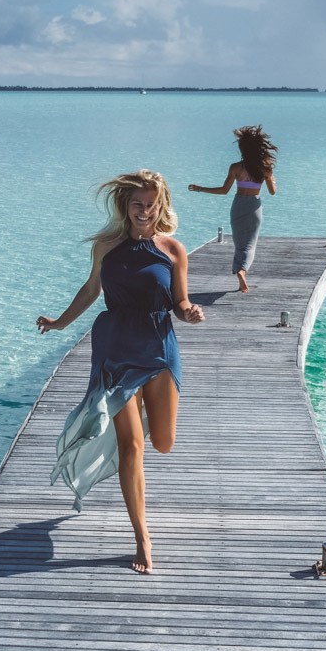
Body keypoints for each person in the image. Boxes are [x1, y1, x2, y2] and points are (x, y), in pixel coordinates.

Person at [37, 169, 204, 574]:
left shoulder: (173, 251)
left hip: (159, 347)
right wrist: (60, 322)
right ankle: (142, 538)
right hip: (114, 348)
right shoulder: (106, 246)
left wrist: (190, 313)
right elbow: (92, 289)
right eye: (136, 205)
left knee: (162, 441)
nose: (144, 212)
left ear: (160, 206)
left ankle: (132, 420)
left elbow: (179, 302)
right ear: (124, 207)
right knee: (133, 447)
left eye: (150, 205)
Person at [187, 125, 278, 292]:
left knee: (239, 243)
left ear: (243, 149)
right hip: (254, 205)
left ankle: (239, 271)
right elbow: (273, 192)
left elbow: (223, 191)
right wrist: (272, 178)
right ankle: (242, 271)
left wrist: (200, 188)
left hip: (238, 205)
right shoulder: (265, 168)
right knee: (249, 245)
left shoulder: (235, 167)